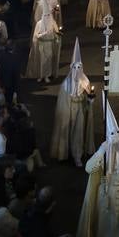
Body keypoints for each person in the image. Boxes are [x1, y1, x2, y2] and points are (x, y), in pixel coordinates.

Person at [76, 97, 119, 237]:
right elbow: (88, 168)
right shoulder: (104, 154)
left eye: (117, 134)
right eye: (112, 135)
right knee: (107, 229)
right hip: (107, 197)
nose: (115, 138)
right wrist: (101, 151)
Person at [49, 38, 96, 167]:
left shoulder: (85, 82)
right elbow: (62, 102)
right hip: (68, 110)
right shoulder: (66, 84)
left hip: (80, 110)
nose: (77, 70)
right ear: (71, 68)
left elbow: (89, 99)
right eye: (74, 67)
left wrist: (90, 99)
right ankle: (65, 152)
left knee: (78, 133)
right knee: (66, 131)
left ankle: (77, 155)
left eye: (79, 67)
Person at [25, 0, 61, 83]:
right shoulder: (39, 24)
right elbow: (36, 35)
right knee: (41, 61)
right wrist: (43, 35)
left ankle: (47, 75)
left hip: (49, 44)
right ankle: (41, 75)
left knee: (48, 61)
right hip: (41, 44)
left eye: (48, 15)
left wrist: (57, 35)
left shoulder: (52, 22)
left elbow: (56, 32)